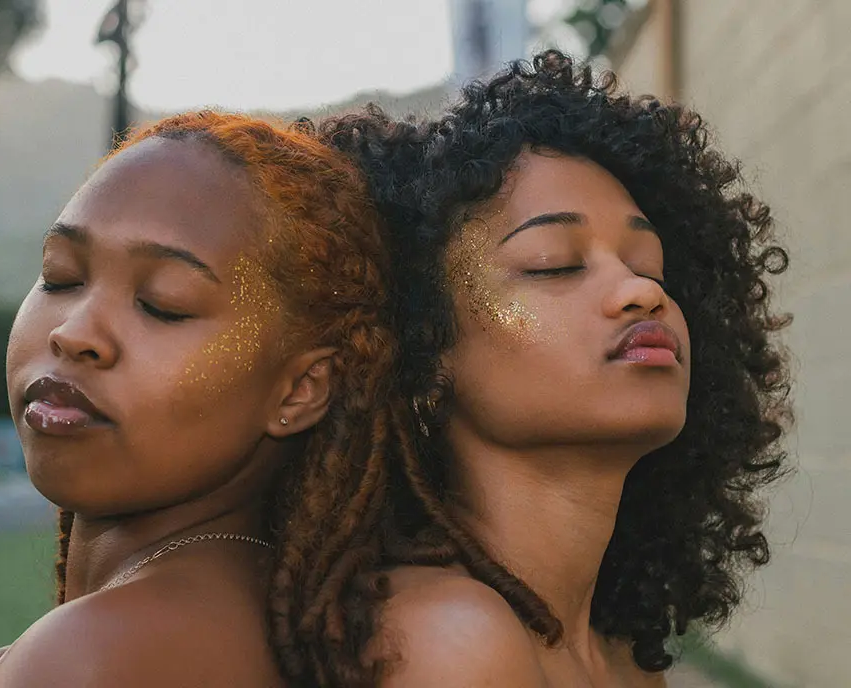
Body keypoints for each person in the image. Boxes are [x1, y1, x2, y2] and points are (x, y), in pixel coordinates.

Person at [319, 50, 792, 686]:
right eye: (553, 264)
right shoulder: (447, 644)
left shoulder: (621, 657)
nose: (638, 291)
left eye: (649, 266)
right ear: (422, 351)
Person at [0, 111, 409, 687]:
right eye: (61, 277)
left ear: (300, 389)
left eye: (162, 304)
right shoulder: (248, 615)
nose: (74, 332)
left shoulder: (101, 652)